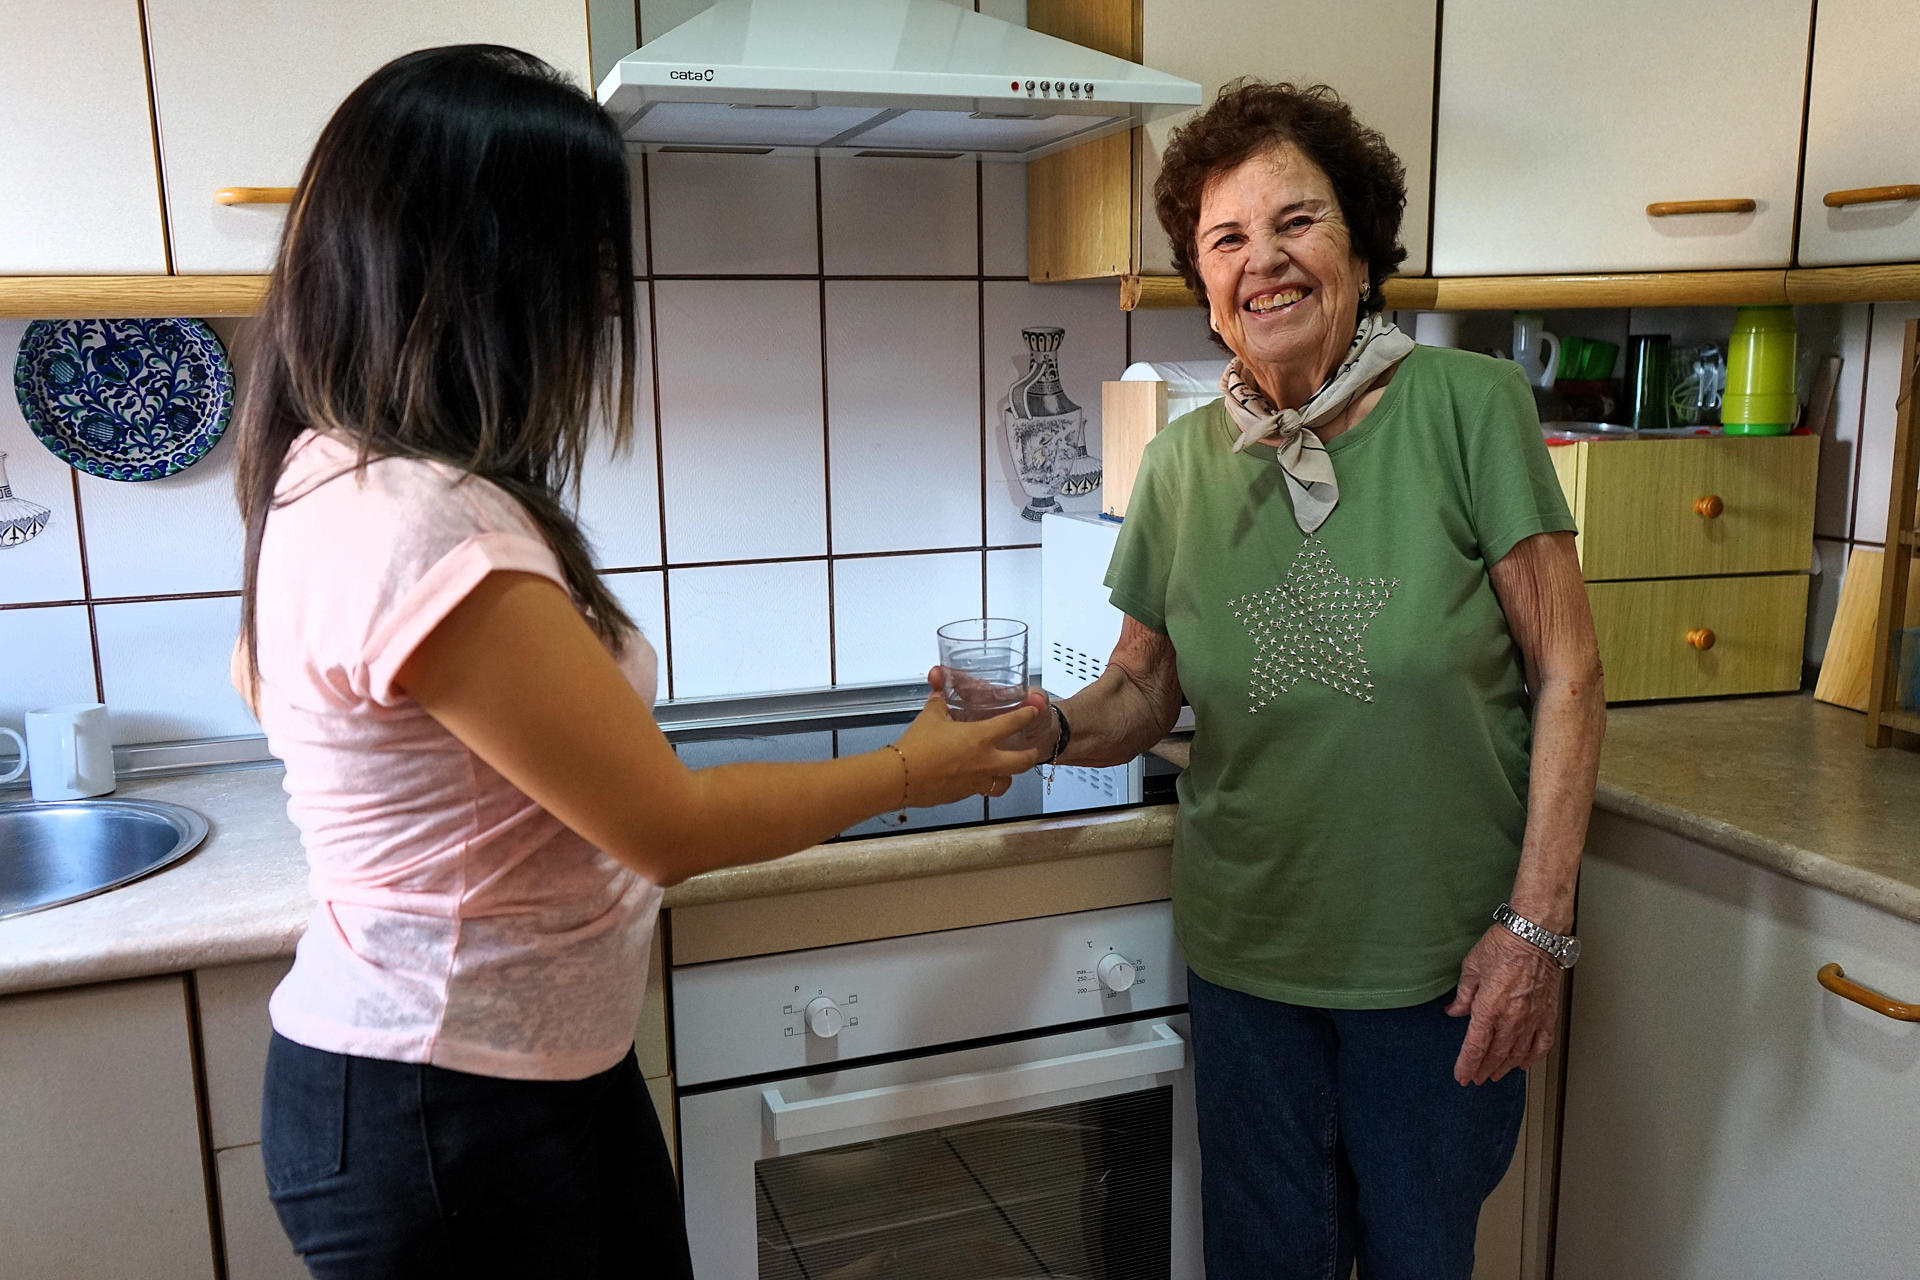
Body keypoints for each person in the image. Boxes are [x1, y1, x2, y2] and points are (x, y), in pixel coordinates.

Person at [231, 45, 1043, 1280]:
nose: (609, 300)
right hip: (440, 1102)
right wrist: (904, 770)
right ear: (479, 263)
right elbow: (664, 824)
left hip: (515, 1074)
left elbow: (263, 674)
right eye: (588, 260)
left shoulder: (341, 467)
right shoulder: (418, 520)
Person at [991, 80, 1605, 1278]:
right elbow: (1143, 690)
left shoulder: (1469, 406)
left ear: (1363, 249)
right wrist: (1046, 724)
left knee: (1418, 1257)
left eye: (1298, 223)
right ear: (1207, 288)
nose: (1262, 261)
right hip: (1248, 961)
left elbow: (1571, 671)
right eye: (1227, 239)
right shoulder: (1179, 464)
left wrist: (1536, 926)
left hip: (1440, 969)